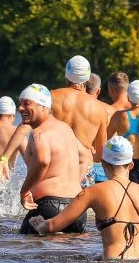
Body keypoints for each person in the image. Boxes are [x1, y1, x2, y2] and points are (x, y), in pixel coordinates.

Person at [32, 137, 139, 261]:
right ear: (131, 165)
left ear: (104, 164)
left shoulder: (92, 192)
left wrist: (39, 224)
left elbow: (53, 226)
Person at [0, 55, 109, 186]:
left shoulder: (50, 97)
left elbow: (24, 127)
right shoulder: (100, 108)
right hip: (82, 172)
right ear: (88, 78)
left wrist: (4, 159)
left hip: (54, 166)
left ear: (66, 75)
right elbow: (100, 155)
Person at [13, 84, 87, 235]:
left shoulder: (39, 133)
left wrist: (24, 191)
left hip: (49, 207)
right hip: (76, 208)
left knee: (25, 250)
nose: (20, 108)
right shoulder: (65, 128)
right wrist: (73, 183)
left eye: (26, 103)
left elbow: (42, 161)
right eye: (20, 104)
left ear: (43, 106)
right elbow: (85, 156)